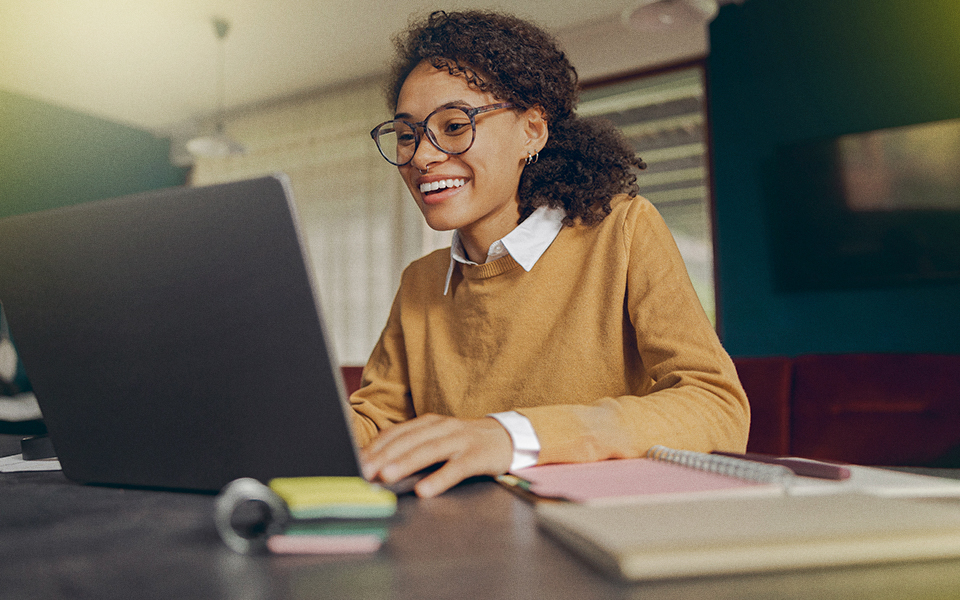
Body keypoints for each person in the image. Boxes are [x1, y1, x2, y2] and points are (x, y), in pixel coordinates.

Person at [352, 10, 749, 497]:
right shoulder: (421, 280)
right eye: (407, 134)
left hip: (599, 536)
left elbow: (718, 407)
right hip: (461, 537)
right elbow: (376, 420)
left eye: (454, 125)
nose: (421, 156)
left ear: (532, 132)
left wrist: (510, 435)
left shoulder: (622, 231)